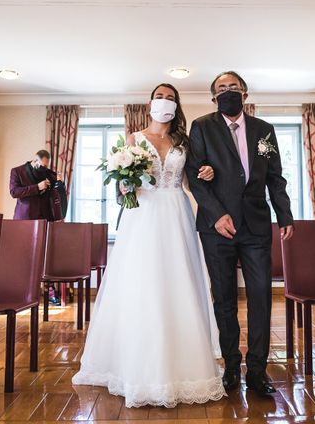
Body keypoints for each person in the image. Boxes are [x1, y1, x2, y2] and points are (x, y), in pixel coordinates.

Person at [72, 83, 226, 408]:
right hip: (142, 217)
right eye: (160, 97)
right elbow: (121, 189)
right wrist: (125, 183)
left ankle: (182, 364)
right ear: (150, 103)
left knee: (178, 282)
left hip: (176, 214)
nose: (164, 102)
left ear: (176, 105)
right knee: (142, 284)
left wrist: (207, 172)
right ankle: (137, 367)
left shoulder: (184, 140)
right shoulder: (133, 140)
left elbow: (189, 181)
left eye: (171, 98)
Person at [186, 71, 294, 396]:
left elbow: (275, 176)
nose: (228, 92)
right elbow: (194, 174)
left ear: (245, 94)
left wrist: (284, 213)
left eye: (234, 87)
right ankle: (232, 366)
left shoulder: (264, 130)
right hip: (216, 227)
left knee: (261, 296)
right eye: (222, 89)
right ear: (213, 97)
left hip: (257, 226)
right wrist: (217, 215)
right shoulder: (202, 126)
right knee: (225, 300)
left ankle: (257, 371)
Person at [9, 150, 65, 221]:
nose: (45, 169)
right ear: (35, 160)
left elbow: (58, 193)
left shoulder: (49, 174)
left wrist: (61, 182)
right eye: (43, 166)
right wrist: (37, 187)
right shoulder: (17, 171)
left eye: (46, 166)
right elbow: (14, 192)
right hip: (25, 218)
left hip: (46, 219)